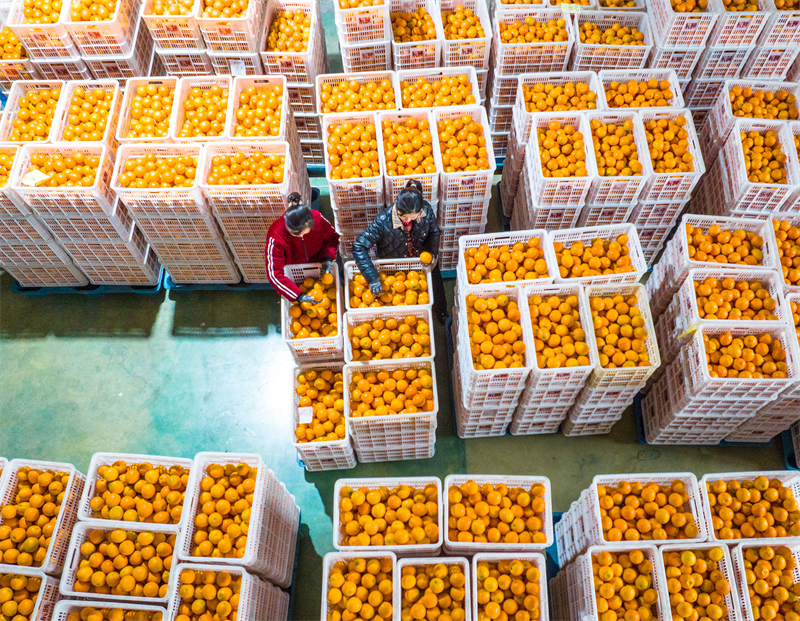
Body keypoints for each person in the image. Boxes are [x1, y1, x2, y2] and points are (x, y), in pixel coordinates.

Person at [352, 180, 449, 321]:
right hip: (394, 265)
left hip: (419, 259)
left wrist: (431, 252)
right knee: (395, 300)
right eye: (404, 217)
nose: (409, 220)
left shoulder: (425, 210)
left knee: (435, 282)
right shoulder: (383, 221)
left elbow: (434, 232)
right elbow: (359, 246)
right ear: (397, 209)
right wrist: (372, 277)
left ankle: (441, 312)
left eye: (413, 216)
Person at [265, 192, 339, 303]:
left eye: (305, 233)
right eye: (296, 234)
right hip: (294, 276)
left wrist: (327, 258)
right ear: (288, 226)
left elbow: (332, 239)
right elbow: (274, 275)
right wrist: (297, 296)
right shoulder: (276, 235)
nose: (300, 236)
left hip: (318, 268)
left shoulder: (317, 218)